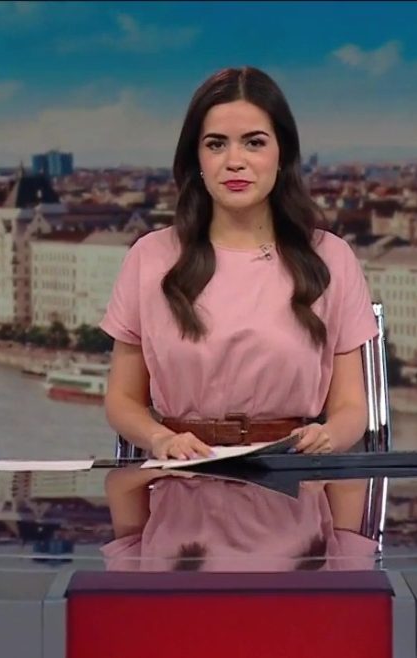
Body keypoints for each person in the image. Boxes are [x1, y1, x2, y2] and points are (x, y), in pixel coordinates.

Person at [99, 66, 377, 461]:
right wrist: (160, 440)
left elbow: (351, 409)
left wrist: (328, 437)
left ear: (282, 154)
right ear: (196, 157)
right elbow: (122, 400)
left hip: (293, 474)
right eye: (216, 144)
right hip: (181, 471)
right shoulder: (149, 257)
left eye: (254, 143)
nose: (234, 161)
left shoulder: (331, 258)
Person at [102, 467, 377, 572]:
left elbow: (119, 488)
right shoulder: (332, 607)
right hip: (291, 475)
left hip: (185, 471)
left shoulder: (153, 619)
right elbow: (353, 485)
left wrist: (162, 466)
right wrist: (320, 465)